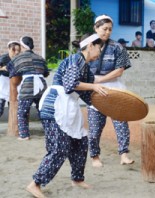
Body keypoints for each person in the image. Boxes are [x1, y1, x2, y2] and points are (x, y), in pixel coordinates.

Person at [25, 33, 107, 198]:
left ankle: (77, 179)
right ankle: (35, 184)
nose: (100, 52)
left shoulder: (86, 68)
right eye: (99, 47)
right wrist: (93, 87)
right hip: (55, 105)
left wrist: (109, 105)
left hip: (69, 106)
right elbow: (71, 84)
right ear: (90, 45)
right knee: (59, 148)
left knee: (80, 142)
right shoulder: (75, 60)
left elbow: (86, 96)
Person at [89, 14, 134, 168]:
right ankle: (95, 156)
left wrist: (99, 80)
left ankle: (124, 155)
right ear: (95, 28)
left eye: (110, 29)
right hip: (94, 90)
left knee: (121, 123)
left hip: (114, 88)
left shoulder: (117, 47)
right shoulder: (88, 46)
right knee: (95, 127)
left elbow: (120, 70)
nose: (107, 32)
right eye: (104, 29)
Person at [7, 36, 49, 140]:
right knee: (43, 110)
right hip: (42, 87)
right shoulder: (40, 58)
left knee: (22, 112)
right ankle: (49, 132)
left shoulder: (19, 58)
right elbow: (46, 73)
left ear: (22, 46)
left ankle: (24, 135)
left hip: (27, 87)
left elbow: (11, 70)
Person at [0, 41, 21, 118]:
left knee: (13, 107)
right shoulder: (3, 58)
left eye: (18, 50)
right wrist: (3, 68)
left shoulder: (19, 59)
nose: (16, 52)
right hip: (4, 83)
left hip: (15, 83)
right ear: (9, 49)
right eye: (14, 50)